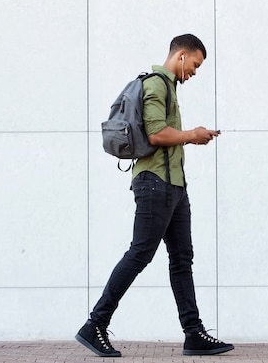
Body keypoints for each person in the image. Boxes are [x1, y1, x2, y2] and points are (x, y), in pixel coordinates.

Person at [75, 34, 234, 357]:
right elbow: (156, 133)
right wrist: (192, 135)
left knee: (181, 260)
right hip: (155, 184)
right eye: (195, 64)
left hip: (175, 185)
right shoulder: (157, 84)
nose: (194, 72)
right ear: (181, 55)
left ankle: (194, 334)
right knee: (140, 253)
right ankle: (95, 324)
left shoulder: (169, 86)